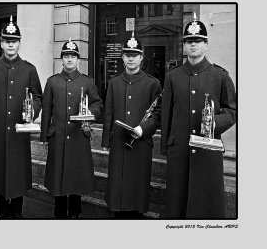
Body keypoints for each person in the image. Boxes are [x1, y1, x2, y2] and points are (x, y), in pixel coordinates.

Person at [161, 16, 237, 218]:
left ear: (206, 45)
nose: (193, 45)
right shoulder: (172, 76)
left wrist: (214, 123)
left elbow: (233, 110)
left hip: (207, 151)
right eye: (189, 41)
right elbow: (167, 112)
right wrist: (165, 146)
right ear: (184, 45)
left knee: (205, 207)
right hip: (179, 151)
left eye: (198, 41)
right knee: (177, 205)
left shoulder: (220, 76)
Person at [0, 16, 42, 218]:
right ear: (1, 43)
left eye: (14, 41)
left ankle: (17, 213)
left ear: (19, 43)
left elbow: (38, 97)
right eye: (7, 41)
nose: (10, 45)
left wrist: (32, 111)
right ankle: (1, 213)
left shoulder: (29, 69)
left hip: (19, 131)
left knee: (17, 173)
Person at [40, 40, 103, 218]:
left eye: (73, 56)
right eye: (66, 56)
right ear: (61, 60)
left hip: (78, 136)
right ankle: (59, 213)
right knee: (58, 178)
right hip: (58, 136)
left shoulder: (87, 82)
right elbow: (47, 111)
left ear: (78, 60)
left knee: (76, 177)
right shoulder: (52, 82)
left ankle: (75, 213)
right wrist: (44, 137)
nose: (69, 60)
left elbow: (98, 104)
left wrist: (88, 113)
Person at [101, 37, 162, 219]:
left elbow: (158, 113)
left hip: (141, 145)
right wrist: (106, 141)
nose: (131, 59)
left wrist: (144, 128)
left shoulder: (153, 84)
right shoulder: (114, 82)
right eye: (128, 55)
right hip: (119, 144)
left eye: (135, 55)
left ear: (142, 58)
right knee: (118, 195)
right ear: (122, 57)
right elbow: (109, 112)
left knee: (137, 193)